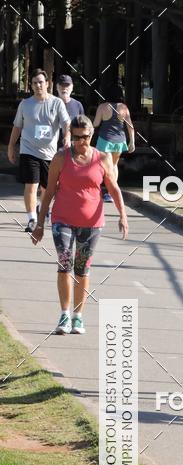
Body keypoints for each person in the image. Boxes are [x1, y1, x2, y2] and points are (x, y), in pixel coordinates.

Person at [31, 115, 129, 335]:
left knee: (82, 268)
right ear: (70, 136)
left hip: (91, 224)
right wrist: (40, 224)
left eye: (84, 137)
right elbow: (49, 193)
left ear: (91, 135)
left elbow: (113, 189)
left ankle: (78, 316)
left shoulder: (102, 158)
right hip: (62, 220)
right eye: (75, 138)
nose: (80, 142)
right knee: (65, 263)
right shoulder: (60, 158)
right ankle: (64, 314)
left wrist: (123, 215)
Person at [7, 68, 71, 233]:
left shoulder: (56, 103)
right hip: (29, 150)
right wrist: (11, 146)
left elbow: (66, 123)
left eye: (41, 82)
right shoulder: (25, 104)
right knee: (31, 185)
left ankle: (41, 209)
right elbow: (17, 126)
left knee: (49, 188)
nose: (38, 85)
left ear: (47, 84)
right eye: (34, 83)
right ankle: (32, 219)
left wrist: (67, 136)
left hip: (50, 154)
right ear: (31, 85)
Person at [93, 84, 135, 201]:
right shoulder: (124, 108)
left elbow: (95, 124)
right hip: (119, 141)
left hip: (105, 140)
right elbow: (130, 126)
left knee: (101, 166)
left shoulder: (102, 107)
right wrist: (132, 142)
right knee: (114, 165)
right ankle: (111, 194)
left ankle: (98, 191)